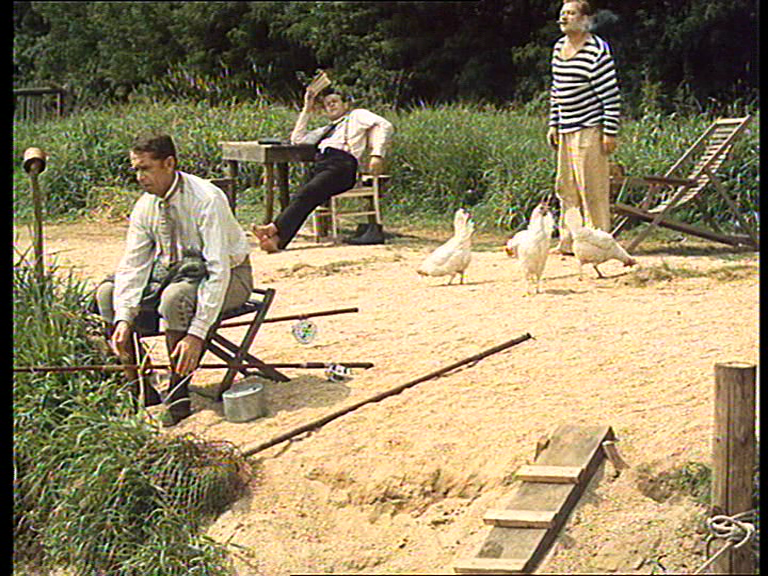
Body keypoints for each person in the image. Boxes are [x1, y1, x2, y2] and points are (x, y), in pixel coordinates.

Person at [94, 132, 253, 426]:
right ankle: (140, 388)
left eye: (145, 168)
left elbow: (218, 270)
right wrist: (124, 318)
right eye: (136, 169)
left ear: (169, 163)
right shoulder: (145, 206)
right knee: (107, 294)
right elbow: (134, 265)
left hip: (232, 277)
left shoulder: (206, 199)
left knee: (175, 298)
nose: (139, 177)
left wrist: (196, 334)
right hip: (175, 274)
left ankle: (179, 398)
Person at [253, 86, 394, 252]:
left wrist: (377, 154)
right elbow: (297, 139)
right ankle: (277, 241)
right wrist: (307, 108)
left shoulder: (356, 116)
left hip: (342, 166)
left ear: (346, 105)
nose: (331, 105)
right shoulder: (326, 130)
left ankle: (273, 228)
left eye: (335, 102)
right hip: (323, 165)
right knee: (304, 196)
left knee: (308, 192)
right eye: (327, 104)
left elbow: (385, 125)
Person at [547, 0, 621, 254]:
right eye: (562, 13)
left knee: (592, 189)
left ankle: (599, 243)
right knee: (566, 187)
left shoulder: (597, 50)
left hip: (590, 128)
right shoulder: (558, 48)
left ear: (585, 19)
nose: (564, 18)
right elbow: (556, 90)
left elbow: (611, 96)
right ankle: (569, 241)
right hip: (566, 128)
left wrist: (610, 132)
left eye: (570, 13)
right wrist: (554, 124)